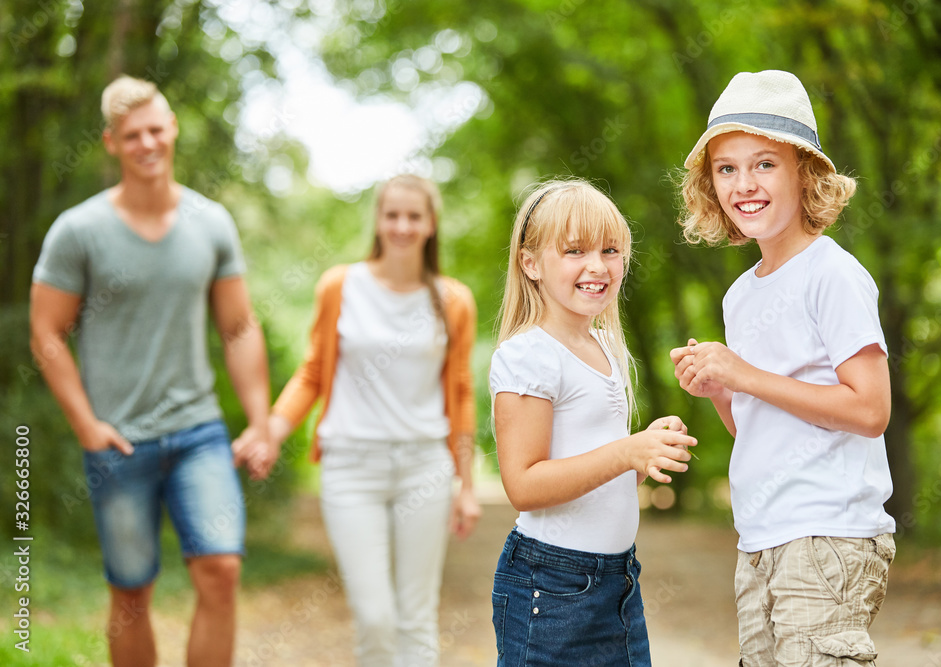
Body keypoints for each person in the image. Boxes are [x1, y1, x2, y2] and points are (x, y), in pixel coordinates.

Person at [29, 75, 274, 667]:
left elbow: (239, 328)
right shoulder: (78, 230)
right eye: (132, 134)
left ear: (173, 130)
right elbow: (46, 333)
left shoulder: (210, 222)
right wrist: (87, 426)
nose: (147, 143)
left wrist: (262, 423)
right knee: (132, 592)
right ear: (112, 142)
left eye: (156, 129)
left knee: (220, 568)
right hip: (119, 442)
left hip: (199, 432)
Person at [669, 70, 896, 666]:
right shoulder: (741, 295)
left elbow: (871, 411)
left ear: (805, 172)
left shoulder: (833, 274)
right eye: (726, 168)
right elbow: (760, 429)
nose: (744, 183)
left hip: (827, 536)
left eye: (764, 163)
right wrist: (719, 387)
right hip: (760, 538)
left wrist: (742, 373)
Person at [240, 173, 481, 666]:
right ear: (377, 220)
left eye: (414, 216)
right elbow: (312, 374)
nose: (402, 225)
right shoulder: (340, 286)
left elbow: (460, 391)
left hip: (423, 466)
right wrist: (268, 432)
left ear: (431, 224)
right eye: (392, 214)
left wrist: (467, 483)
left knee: (416, 617)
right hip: (351, 466)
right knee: (375, 616)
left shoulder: (452, 300)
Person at [489, 178, 697, 665]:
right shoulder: (528, 356)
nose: (597, 266)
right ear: (531, 263)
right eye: (575, 250)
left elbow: (594, 465)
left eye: (611, 250)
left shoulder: (606, 346)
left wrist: (646, 450)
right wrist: (626, 451)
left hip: (618, 579)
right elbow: (524, 484)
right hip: (552, 585)